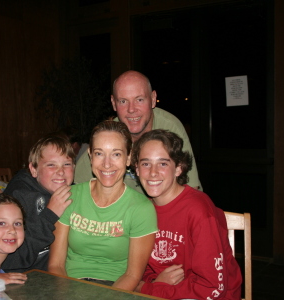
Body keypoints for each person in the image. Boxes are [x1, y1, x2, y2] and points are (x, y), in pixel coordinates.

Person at [131, 129, 242, 300]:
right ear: (137, 169)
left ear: (178, 168)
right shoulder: (142, 210)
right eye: (146, 164)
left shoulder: (199, 211)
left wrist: (150, 289)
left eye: (163, 163)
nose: (153, 172)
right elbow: (141, 269)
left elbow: (213, 288)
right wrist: (155, 282)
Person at [49, 120, 157, 291]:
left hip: (115, 289)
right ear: (90, 156)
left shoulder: (141, 208)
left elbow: (132, 275)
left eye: (116, 154)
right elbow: (56, 265)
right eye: (99, 153)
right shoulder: (69, 196)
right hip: (69, 284)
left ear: (128, 157)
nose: (107, 164)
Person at [74, 70, 202, 193]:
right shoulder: (110, 134)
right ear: (113, 103)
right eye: (123, 101)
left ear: (153, 98)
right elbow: (79, 185)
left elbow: (191, 189)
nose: (131, 109)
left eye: (139, 100)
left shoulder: (169, 129)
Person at [1, 134, 74, 273]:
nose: (60, 171)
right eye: (51, 165)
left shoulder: (73, 193)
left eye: (67, 164)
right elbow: (10, 260)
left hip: (58, 275)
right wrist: (49, 215)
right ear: (34, 170)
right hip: (23, 280)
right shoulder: (18, 199)